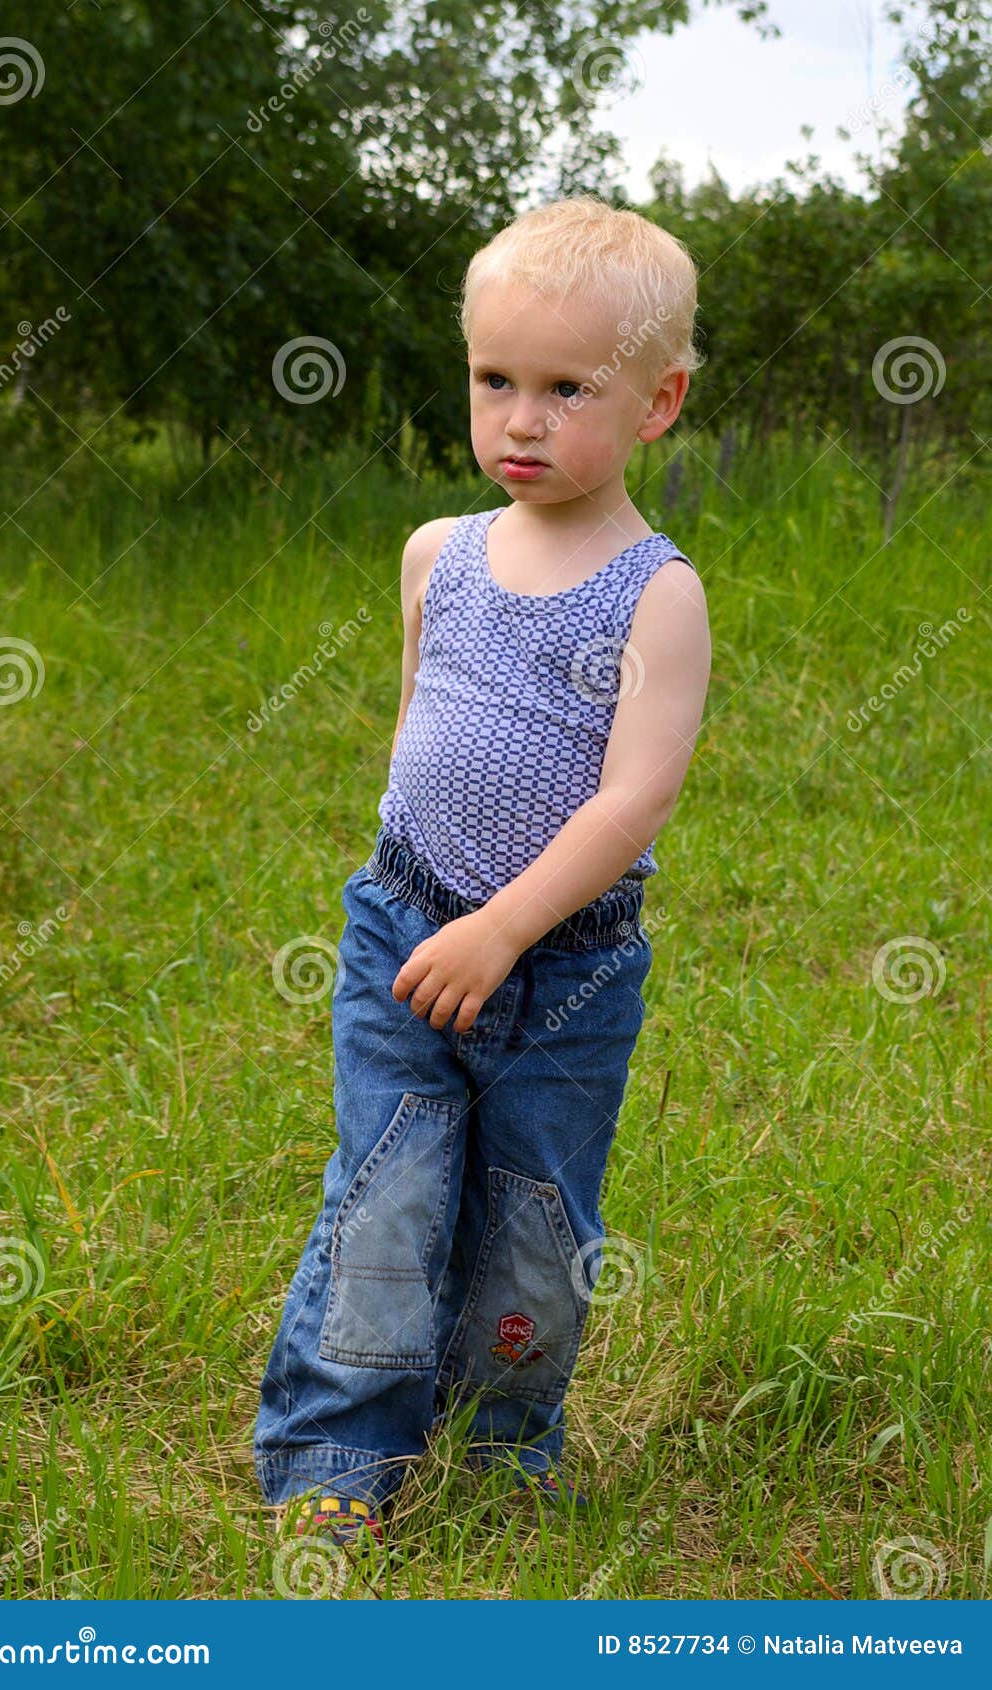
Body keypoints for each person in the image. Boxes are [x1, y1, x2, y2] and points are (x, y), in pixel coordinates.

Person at [254, 194, 712, 1547]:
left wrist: (506, 928)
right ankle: (341, 1436)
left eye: (566, 388)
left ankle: (506, 1435)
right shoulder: (436, 556)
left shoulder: (653, 591)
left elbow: (634, 798)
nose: (520, 418)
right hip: (405, 924)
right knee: (389, 1182)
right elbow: (416, 726)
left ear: (657, 402)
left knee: (530, 1214)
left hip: (558, 967)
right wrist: (428, 901)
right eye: (493, 380)